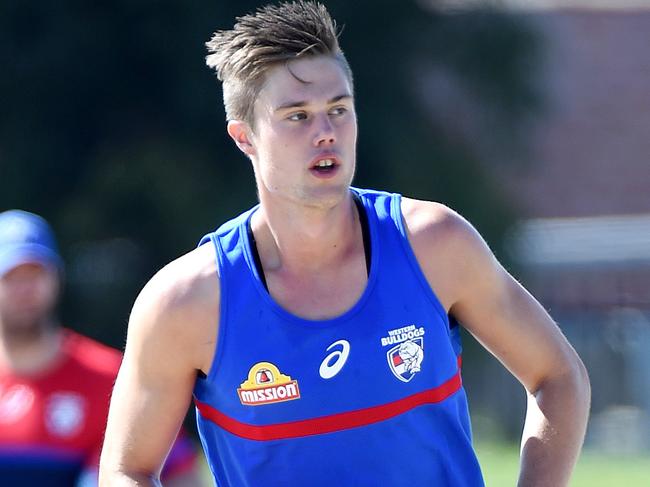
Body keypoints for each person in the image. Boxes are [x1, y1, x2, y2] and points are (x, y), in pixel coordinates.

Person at [99, 2, 591, 486]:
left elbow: (558, 378)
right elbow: (126, 469)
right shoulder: (186, 301)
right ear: (244, 137)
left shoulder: (434, 244)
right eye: (297, 116)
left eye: (339, 110)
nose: (326, 133)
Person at [0, 209, 205, 486]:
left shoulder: (111, 377)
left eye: (35, 273)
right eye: (10, 276)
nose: (24, 288)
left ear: (56, 278)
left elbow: (180, 470)